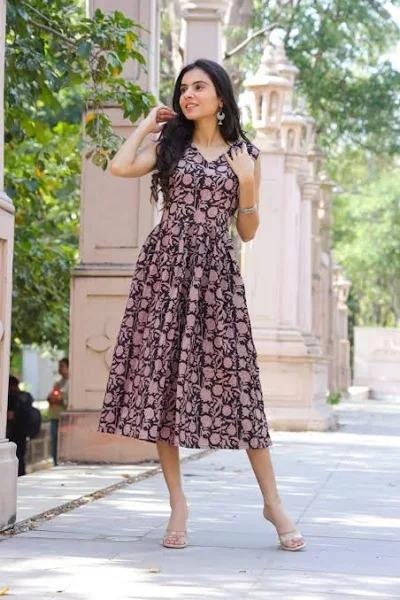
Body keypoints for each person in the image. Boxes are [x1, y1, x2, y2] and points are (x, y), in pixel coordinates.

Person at [97, 58, 306, 552]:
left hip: (216, 276)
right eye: (183, 88)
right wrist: (146, 125)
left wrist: (247, 184)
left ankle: (273, 502)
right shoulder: (171, 147)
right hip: (165, 271)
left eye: (198, 87)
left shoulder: (245, 154)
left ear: (220, 97)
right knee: (164, 382)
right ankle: (178, 504)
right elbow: (119, 166)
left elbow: (247, 232)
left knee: (240, 384)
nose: (187, 95)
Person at [7, 375, 34, 476]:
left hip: (14, 432)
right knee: (19, 458)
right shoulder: (26, 396)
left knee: (17, 457)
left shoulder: (16, 397)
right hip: (21, 432)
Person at [47, 357, 69, 466]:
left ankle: (63, 463)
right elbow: (51, 396)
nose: (59, 369)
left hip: (65, 418)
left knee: (64, 443)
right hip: (54, 416)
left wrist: (60, 400)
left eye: (62, 366)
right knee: (54, 443)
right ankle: (55, 464)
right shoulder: (58, 383)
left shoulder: (71, 383)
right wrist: (51, 399)